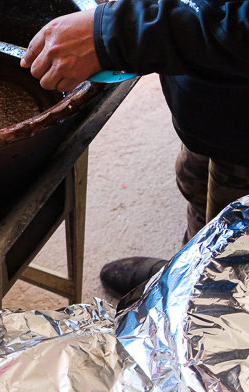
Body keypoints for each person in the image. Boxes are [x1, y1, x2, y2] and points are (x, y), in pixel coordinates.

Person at [19, 0, 249, 297]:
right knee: (197, 186)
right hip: (213, 98)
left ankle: (210, 294)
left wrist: (115, 30)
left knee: (234, 254)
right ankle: (189, 274)